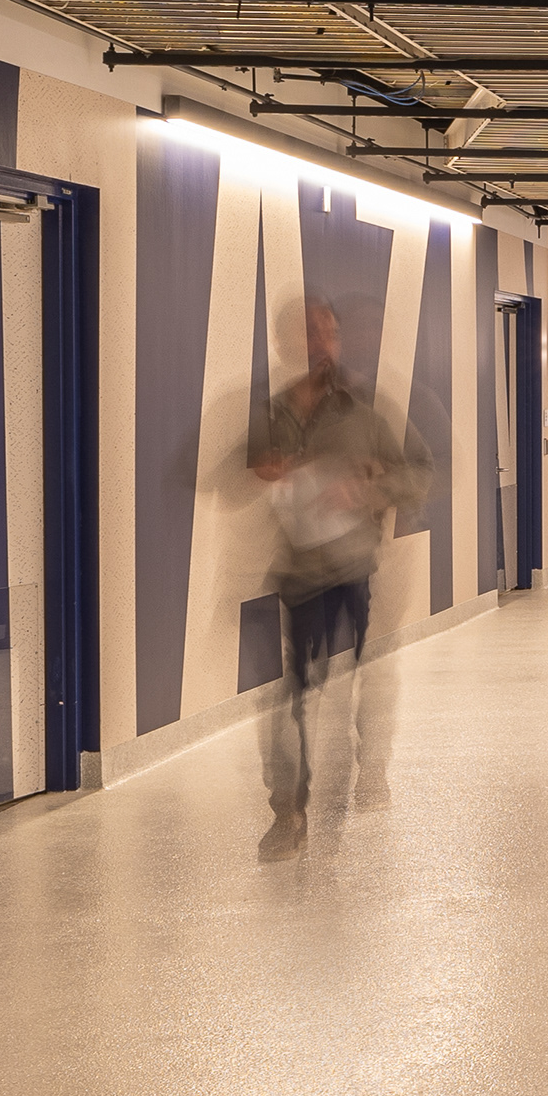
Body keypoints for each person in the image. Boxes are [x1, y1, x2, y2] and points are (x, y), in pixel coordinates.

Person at [243, 296, 427, 852]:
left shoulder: (365, 412)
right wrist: (266, 470)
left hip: (355, 572)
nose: (321, 344)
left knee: (359, 683)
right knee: (295, 693)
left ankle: (366, 773)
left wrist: (367, 489)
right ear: (285, 345)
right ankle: (288, 810)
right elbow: (240, 469)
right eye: (308, 334)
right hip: (299, 574)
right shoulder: (271, 413)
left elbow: (418, 473)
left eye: (328, 333)